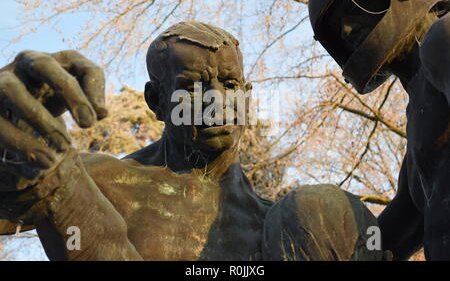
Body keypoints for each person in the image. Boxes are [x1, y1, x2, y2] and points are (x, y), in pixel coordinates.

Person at [0, 22, 382, 260]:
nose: (216, 102)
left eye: (230, 85)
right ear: (156, 101)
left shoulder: (283, 227)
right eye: (191, 88)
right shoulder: (94, 182)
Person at [308, 0, 450, 260]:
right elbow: (407, 218)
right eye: (338, 27)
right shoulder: (419, 111)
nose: (346, 32)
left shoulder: (444, 38)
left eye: (354, 10)